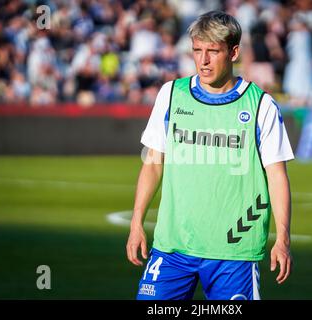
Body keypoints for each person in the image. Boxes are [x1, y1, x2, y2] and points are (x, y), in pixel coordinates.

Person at [126, 10, 294, 300]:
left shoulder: (261, 106)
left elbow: (277, 176)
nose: (203, 61)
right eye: (197, 51)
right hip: (172, 248)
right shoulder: (171, 94)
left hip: (234, 253)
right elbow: (153, 164)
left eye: (213, 52)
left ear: (233, 52)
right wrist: (136, 222)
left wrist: (282, 238)